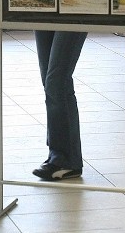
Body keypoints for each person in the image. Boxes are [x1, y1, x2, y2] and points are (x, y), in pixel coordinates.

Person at [31, 30, 87, 181]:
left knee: (56, 82)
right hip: (44, 12)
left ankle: (63, 159)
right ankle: (64, 158)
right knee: (52, 84)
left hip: (74, 13)